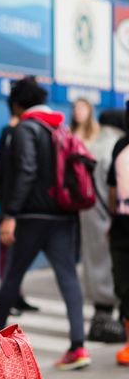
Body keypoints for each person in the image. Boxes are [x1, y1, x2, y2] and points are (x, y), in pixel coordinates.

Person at [0, 76, 91, 370]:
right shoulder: (58, 126)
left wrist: (10, 214)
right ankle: (78, 347)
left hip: (33, 216)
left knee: (12, 277)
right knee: (69, 279)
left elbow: (26, 170)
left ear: (18, 104)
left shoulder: (26, 128)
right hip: (64, 215)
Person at [71, 101, 126, 343]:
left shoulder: (90, 146)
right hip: (113, 218)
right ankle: (111, 322)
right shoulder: (117, 148)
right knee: (115, 270)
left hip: (87, 215)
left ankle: (100, 318)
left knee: (94, 266)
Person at [0, 107, 39, 316]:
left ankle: (17, 297)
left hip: (21, 205)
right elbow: (0, 172)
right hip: (8, 205)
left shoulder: (25, 132)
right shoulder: (8, 133)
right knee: (8, 255)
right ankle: (7, 299)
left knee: (19, 256)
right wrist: (1, 208)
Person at [107, 100, 129, 365]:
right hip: (122, 223)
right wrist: (112, 222)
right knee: (123, 284)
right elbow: (113, 186)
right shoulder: (120, 146)